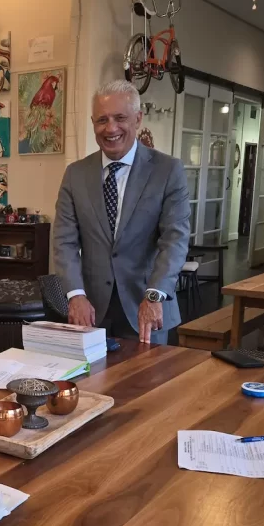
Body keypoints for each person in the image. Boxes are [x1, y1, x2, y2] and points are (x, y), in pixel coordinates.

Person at [53, 79, 189, 344]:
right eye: (101, 120)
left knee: (145, 384)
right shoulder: (75, 175)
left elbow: (175, 241)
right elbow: (63, 242)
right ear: (93, 123)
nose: (111, 128)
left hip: (147, 307)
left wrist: (154, 294)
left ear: (138, 119)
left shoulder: (168, 171)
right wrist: (76, 295)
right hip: (91, 312)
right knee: (89, 384)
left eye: (120, 118)